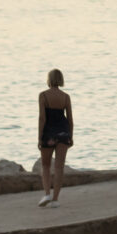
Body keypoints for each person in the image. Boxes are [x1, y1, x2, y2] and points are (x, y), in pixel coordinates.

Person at [35, 69, 74, 206]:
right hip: (63, 132)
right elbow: (70, 119)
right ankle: (56, 199)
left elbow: (42, 118)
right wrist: (71, 136)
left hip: (49, 133)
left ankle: (47, 195)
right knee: (59, 167)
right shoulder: (65, 97)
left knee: (45, 165)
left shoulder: (43, 96)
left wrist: (40, 137)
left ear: (49, 79)